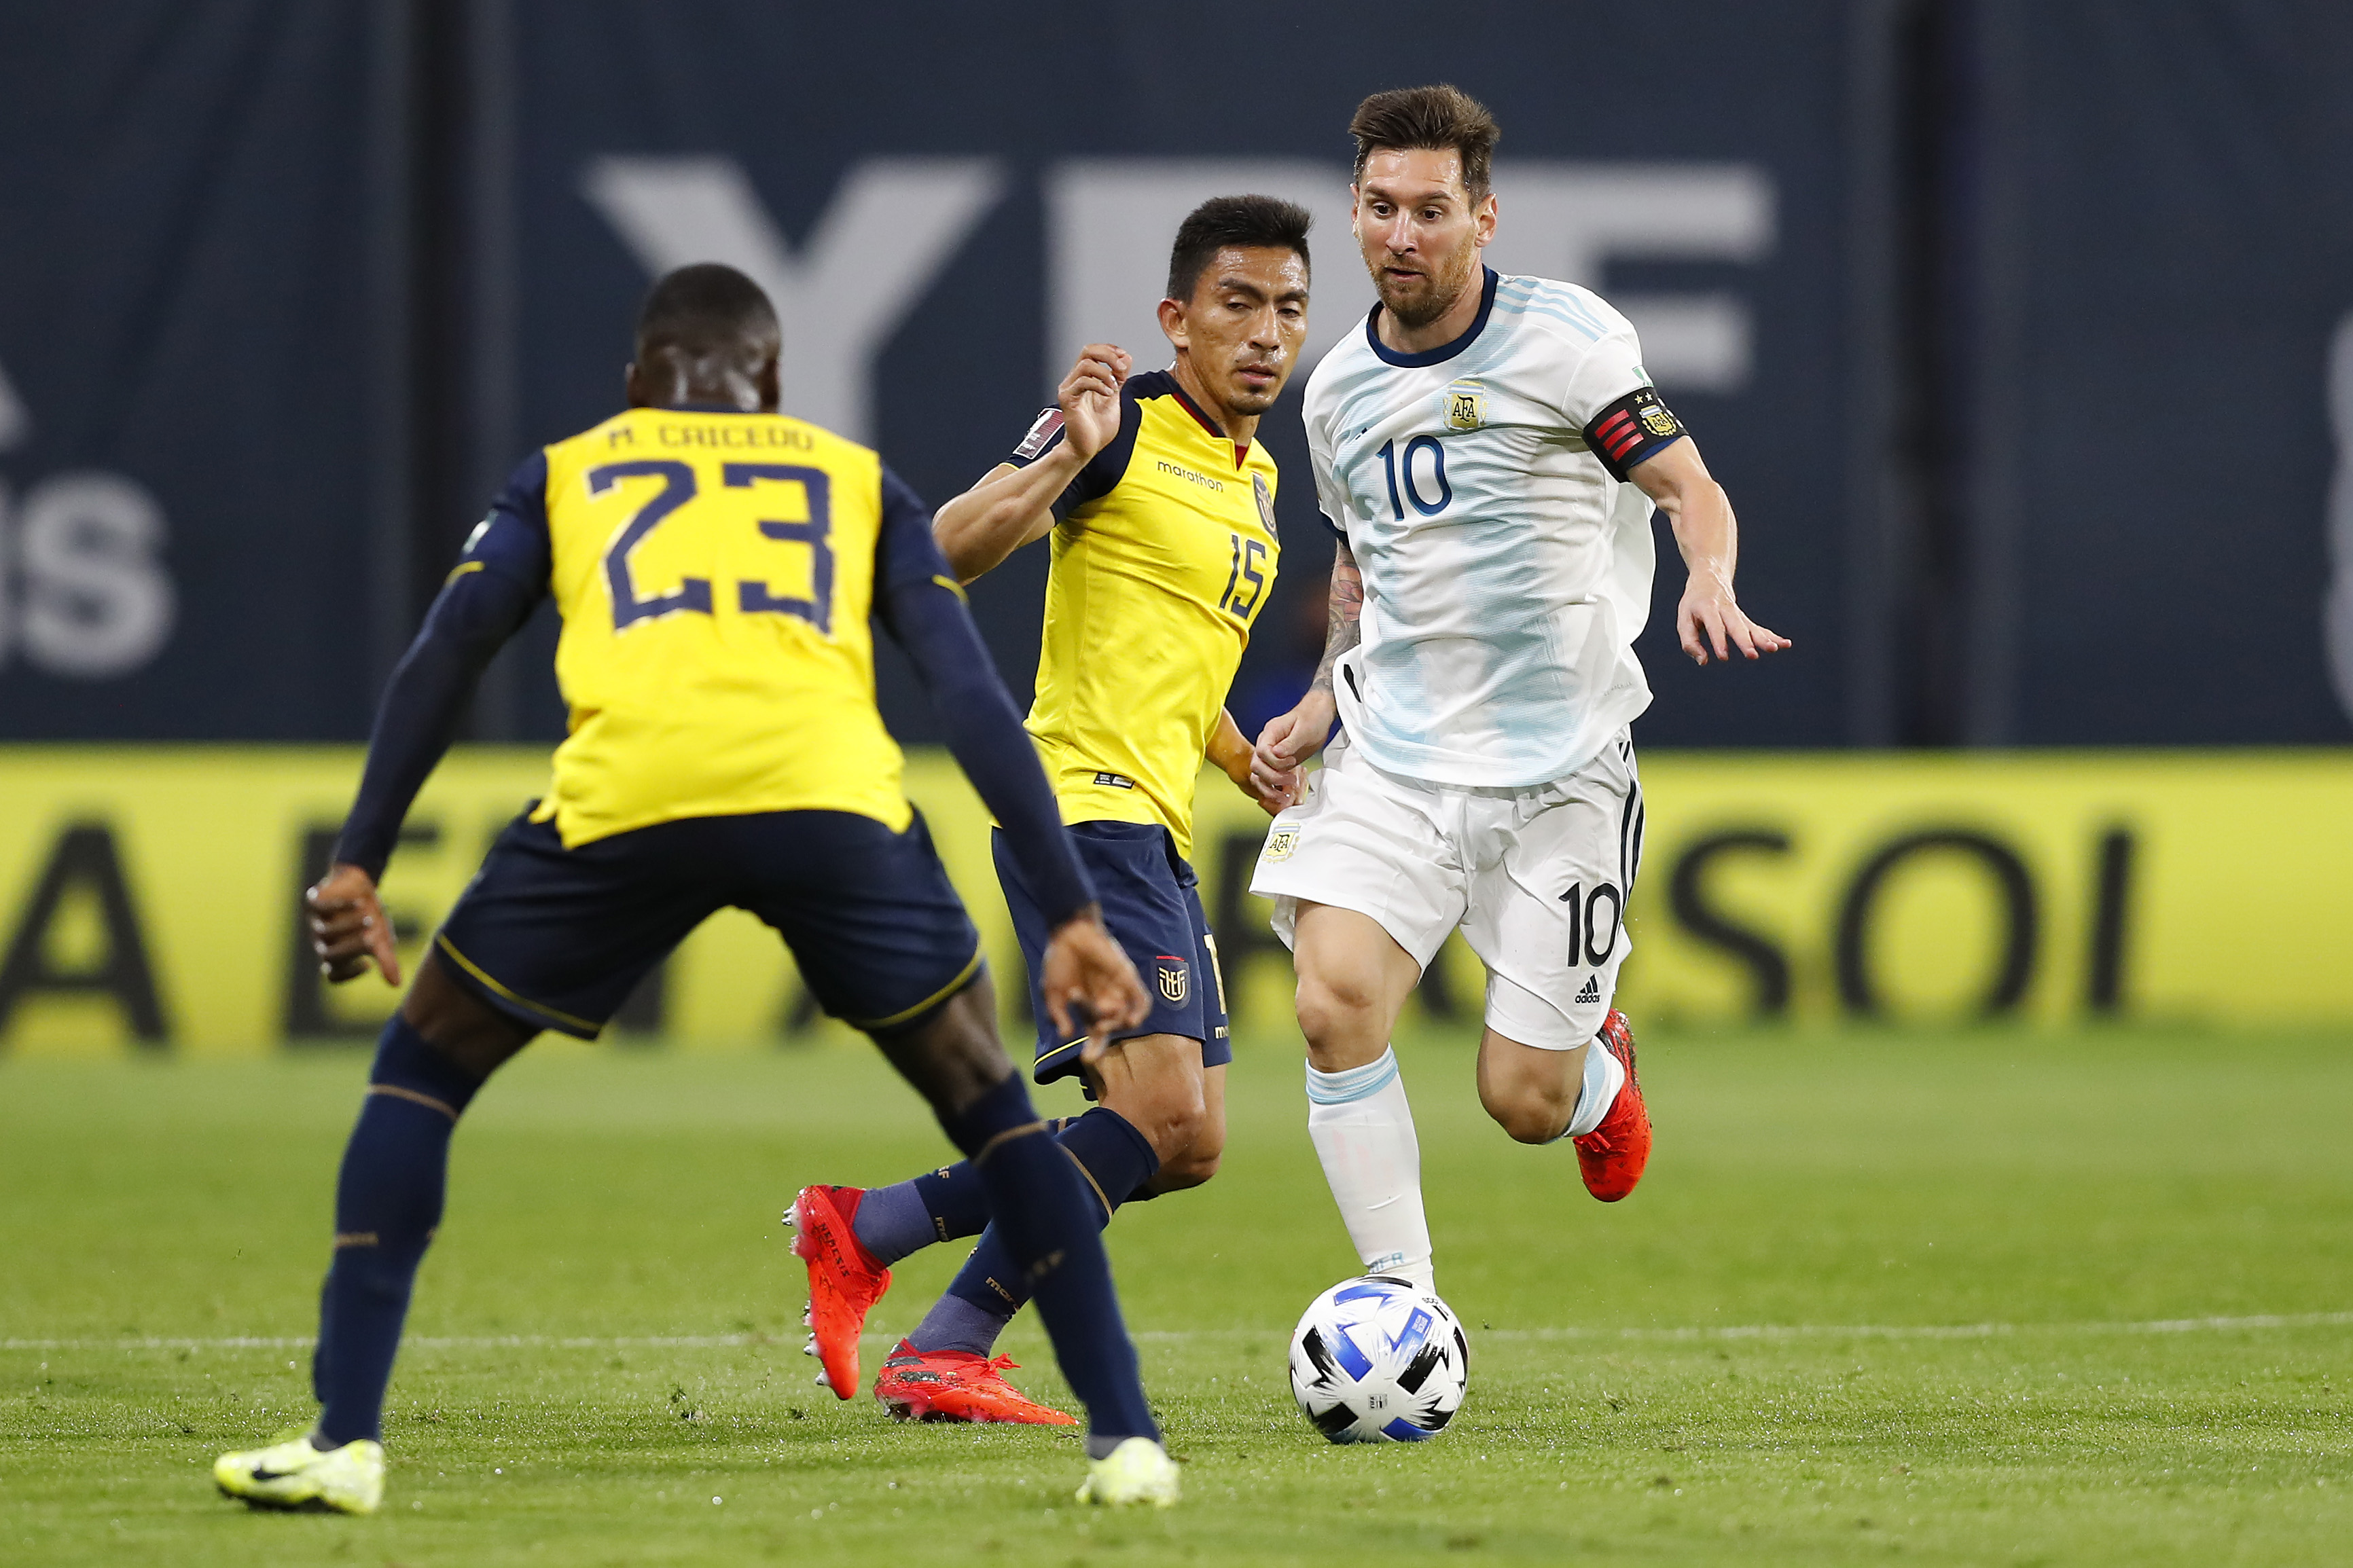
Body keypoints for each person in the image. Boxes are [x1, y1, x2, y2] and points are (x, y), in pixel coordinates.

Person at [211, 263, 1182, 1514]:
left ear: (635, 386)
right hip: (832, 809)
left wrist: (358, 855)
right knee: (993, 1111)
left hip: (628, 806)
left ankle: (344, 1440)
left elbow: (448, 650)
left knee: (423, 1068)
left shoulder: (572, 469)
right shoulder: (847, 478)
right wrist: (1072, 915)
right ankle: (1126, 1440)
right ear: (772, 385)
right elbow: (970, 699)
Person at [1249, 86, 1789, 1293]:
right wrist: (1325, 701)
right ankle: (1405, 1304)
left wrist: (1711, 575)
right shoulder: (1335, 391)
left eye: (1431, 210)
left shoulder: (1569, 342)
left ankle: (1596, 1069)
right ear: (1353, 211)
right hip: (1395, 759)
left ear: (1483, 218)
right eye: (1381, 209)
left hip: (1560, 772)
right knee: (1334, 1005)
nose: (1403, 235)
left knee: (1522, 1101)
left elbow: (1690, 487)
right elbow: (1362, 560)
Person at [789, 196, 1312, 1424]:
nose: (1267, 334)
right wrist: (1066, 455)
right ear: (1176, 319)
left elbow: (1171, 651)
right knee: (1159, 1107)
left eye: (1289, 308)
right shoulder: (1119, 424)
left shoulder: (1260, 472)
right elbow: (942, 550)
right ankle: (948, 1342)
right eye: (1238, 304)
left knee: (1186, 1143)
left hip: (1157, 823)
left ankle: (869, 1224)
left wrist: (1237, 755)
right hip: (1084, 811)